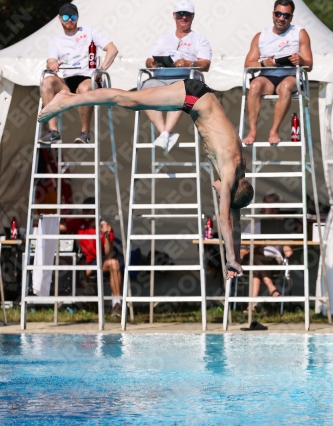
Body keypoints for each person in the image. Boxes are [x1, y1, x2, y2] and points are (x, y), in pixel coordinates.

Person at [38, 79, 254, 279]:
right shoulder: (227, 175)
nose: (219, 193)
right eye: (223, 195)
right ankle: (66, 100)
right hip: (193, 98)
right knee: (128, 100)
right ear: (232, 189)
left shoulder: (240, 171)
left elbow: (236, 219)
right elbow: (225, 218)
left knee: (131, 101)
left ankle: (69, 100)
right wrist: (230, 258)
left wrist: (233, 257)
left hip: (200, 97)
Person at [39, 2, 118, 145]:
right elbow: (50, 61)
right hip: (67, 81)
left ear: (77, 18)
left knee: (85, 88)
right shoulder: (56, 41)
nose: (69, 19)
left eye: (73, 16)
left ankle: (85, 132)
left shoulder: (90, 32)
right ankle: (53, 131)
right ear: (59, 18)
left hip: (89, 78)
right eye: (66, 16)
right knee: (46, 81)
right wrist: (52, 64)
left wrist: (102, 69)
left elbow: (112, 49)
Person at [143, 0, 212, 154]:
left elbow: (206, 65)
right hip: (160, 77)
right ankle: (165, 134)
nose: (184, 17)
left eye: (187, 14)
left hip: (184, 77)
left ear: (193, 16)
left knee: (182, 91)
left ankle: (165, 134)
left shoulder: (199, 39)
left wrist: (189, 63)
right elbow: (148, 61)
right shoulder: (162, 38)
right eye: (180, 14)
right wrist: (155, 64)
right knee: (144, 91)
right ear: (174, 16)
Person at [243, 0, 313, 145]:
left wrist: (300, 61)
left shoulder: (300, 33)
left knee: (286, 86)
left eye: (286, 15)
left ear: (291, 17)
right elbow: (248, 64)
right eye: (278, 14)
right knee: (254, 85)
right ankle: (252, 131)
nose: (281, 18)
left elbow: (309, 65)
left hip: (290, 76)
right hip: (267, 77)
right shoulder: (260, 36)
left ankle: (274, 131)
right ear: (273, 14)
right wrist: (264, 63)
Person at [60, 197, 122, 316]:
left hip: (100, 262)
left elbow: (109, 254)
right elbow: (60, 227)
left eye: (89, 210)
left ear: (96, 210)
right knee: (76, 270)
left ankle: (116, 305)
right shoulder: (79, 222)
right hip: (83, 262)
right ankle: (78, 304)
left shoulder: (104, 226)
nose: (85, 213)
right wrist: (36, 223)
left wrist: (107, 236)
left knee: (114, 263)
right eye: (84, 210)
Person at [240, 192, 293, 312]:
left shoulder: (282, 227)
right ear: (263, 208)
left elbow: (288, 253)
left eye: (274, 206)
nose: (271, 210)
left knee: (256, 262)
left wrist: (283, 233)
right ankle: (271, 288)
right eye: (268, 206)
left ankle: (253, 304)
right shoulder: (253, 226)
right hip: (252, 258)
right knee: (257, 255)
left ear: (278, 209)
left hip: (273, 261)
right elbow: (241, 250)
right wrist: (254, 247)